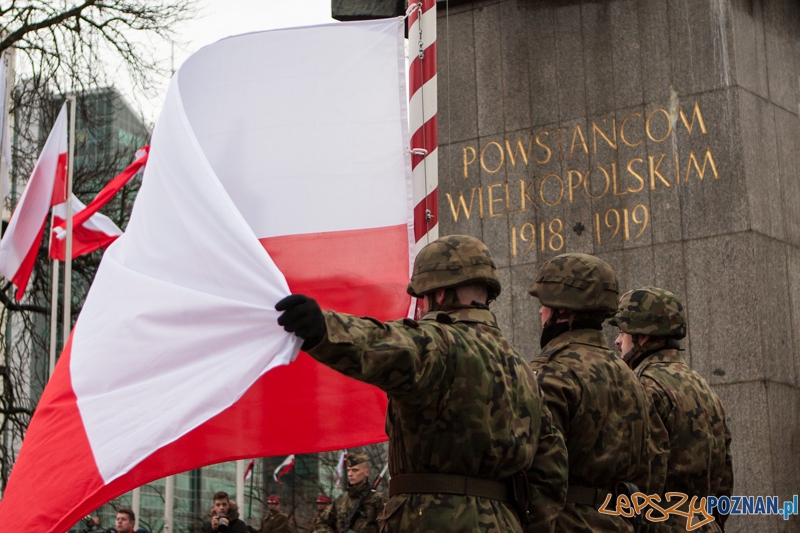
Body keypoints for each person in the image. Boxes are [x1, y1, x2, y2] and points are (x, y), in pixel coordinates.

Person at [276, 234, 567, 533]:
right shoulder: (523, 370)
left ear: (439, 295)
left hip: (431, 519)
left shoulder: (440, 342)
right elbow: (551, 469)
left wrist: (324, 328)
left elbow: (388, 344)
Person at [528, 253, 661, 532]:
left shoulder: (552, 370)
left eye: (544, 304)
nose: (540, 312)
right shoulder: (631, 376)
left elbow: (539, 471)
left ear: (562, 310)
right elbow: (649, 472)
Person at [610, 287, 734, 532]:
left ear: (643, 337)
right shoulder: (703, 386)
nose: (617, 340)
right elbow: (725, 480)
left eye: (623, 332)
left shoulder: (644, 386)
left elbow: (644, 478)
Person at [316, 453, 385, 533]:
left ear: (366, 472)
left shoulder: (378, 500)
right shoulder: (341, 500)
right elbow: (321, 523)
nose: (350, 474)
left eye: (355, 470)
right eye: (348, 470)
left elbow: (387, 528)